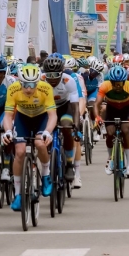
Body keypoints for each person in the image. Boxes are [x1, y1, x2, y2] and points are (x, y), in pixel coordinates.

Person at [1, 64, 57, 211]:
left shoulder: (46, 89)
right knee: (19, 152)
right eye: (25, 84)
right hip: (22, 118)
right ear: (20, 82)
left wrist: (48, 131)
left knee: (40, 144)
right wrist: (7, 131)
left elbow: (52, 115)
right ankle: (18, 194)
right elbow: (7, 115)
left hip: (41, 118)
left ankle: (46, 175)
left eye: (32, 85)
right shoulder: (13, 89)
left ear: (37, 82)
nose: (28, 89)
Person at [40, 56, 83, 189]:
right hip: (47, 107)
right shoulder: (40, 80)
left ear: (62, 73)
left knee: (66, 127)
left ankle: (69, 163)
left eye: (56, 75)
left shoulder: (68, 80)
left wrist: (76, 125)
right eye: (49, 75)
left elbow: (75, 107)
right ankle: (48, 160)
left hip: (65, 106)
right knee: (45, 132)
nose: (52, 79)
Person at [94, 64, 129, 178]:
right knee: (109, 133)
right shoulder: (105, 85)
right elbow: (97, 103)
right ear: (111, 82)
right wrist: (97, 117)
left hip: (126, 109)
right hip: (112, 109)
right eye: (115, 84)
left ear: (124, 82)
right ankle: (110, 158)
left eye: (120, 84)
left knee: (125, 130)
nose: (118, 86)